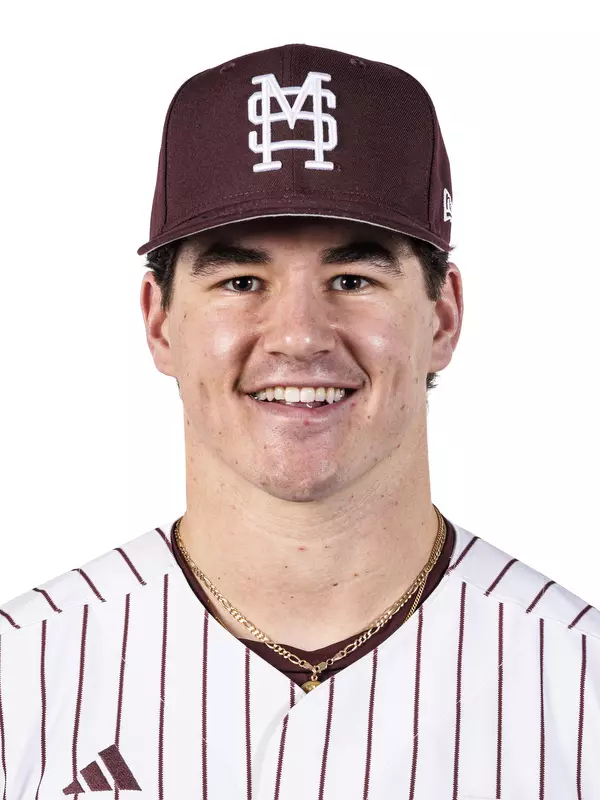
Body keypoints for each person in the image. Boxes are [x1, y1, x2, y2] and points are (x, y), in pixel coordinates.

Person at [0, 43, 598, 800]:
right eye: (240, 280)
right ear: (159, 322)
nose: (299, 336)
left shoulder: (580, 691)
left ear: (443, 317)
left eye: (352, 278)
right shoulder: (20, 682)